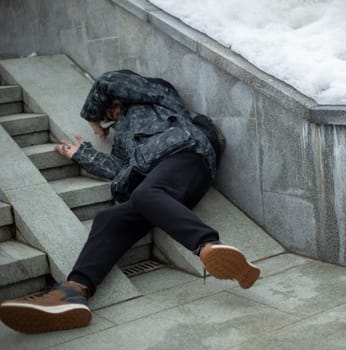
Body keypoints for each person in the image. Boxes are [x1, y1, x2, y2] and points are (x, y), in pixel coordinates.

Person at [0, 70, 260, 334]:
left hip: (185, 154)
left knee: (145, 195)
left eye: (112, 107)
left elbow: (109, 81)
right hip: (158, 187)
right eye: (108, 114)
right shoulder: (123, 138)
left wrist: (93, 118)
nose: (112, 114)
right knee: (108, 219)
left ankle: (208, 245)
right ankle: (72, 292)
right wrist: (83, 155)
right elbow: (120, 168)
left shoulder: (158, 97)